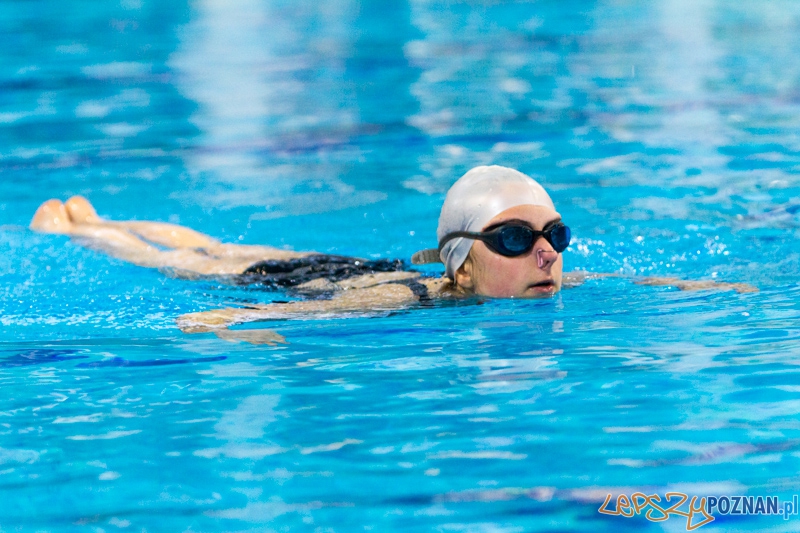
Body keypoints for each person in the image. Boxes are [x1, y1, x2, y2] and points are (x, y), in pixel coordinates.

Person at [30, 166, 756, 344]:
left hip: (359, 258)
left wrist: (687, 286)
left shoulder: (538, 278)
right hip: (324, 281)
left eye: (554, 237)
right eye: (514, 238)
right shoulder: (405, 300)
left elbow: (613, 279)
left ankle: (97, 213)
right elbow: (331, 311)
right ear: (460, 264)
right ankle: (81, 229)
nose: (545, 255)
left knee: (220, 242)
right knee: (202, 258)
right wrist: (234, 318)